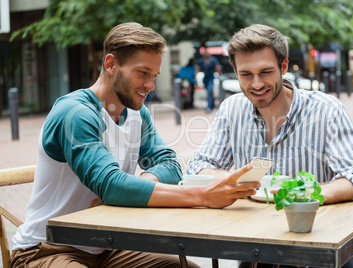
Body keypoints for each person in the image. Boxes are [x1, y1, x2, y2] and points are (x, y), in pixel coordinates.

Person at [10, 22, 260, 268]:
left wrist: (130, 190)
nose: (150, 86)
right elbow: (110, 184)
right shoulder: (75, 113)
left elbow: (170, 165)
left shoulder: (136, 115)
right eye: (142, 73)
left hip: (107, 247)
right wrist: (203, 196)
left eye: (154, 76)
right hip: (47, 248)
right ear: (110, 64)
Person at [186, 24, 353, 268]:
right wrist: (231, 179)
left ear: (283, 67)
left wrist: (308, 195)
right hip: (258, 249)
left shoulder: (326, 110)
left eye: (265, 72)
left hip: (320, 244)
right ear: (234, 71)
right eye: (246, 74)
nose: (256, 84)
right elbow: (198, 165)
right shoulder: (231, 109)